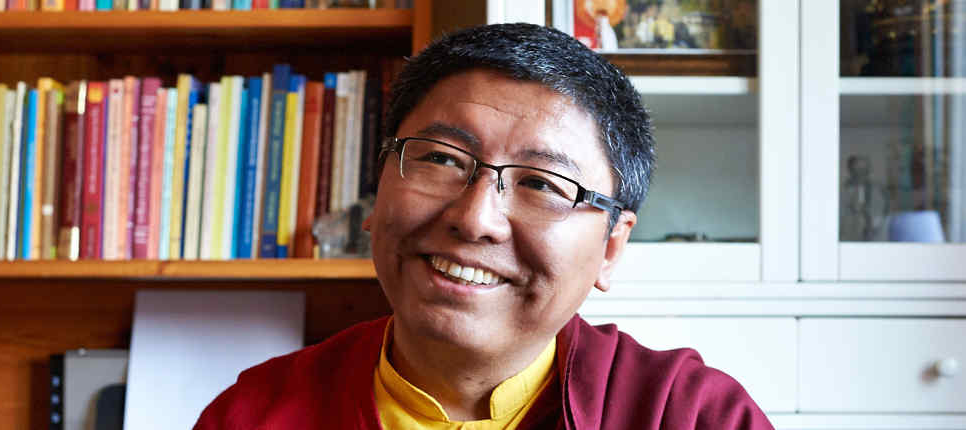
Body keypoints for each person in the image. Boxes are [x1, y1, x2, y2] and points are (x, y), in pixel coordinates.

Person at [194, 23, 774, 429]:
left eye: (542, 184)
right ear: (378, 186)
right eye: (441, 159)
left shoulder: (687, 415)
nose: (475, 219)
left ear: (611, 246)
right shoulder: (256, 415)